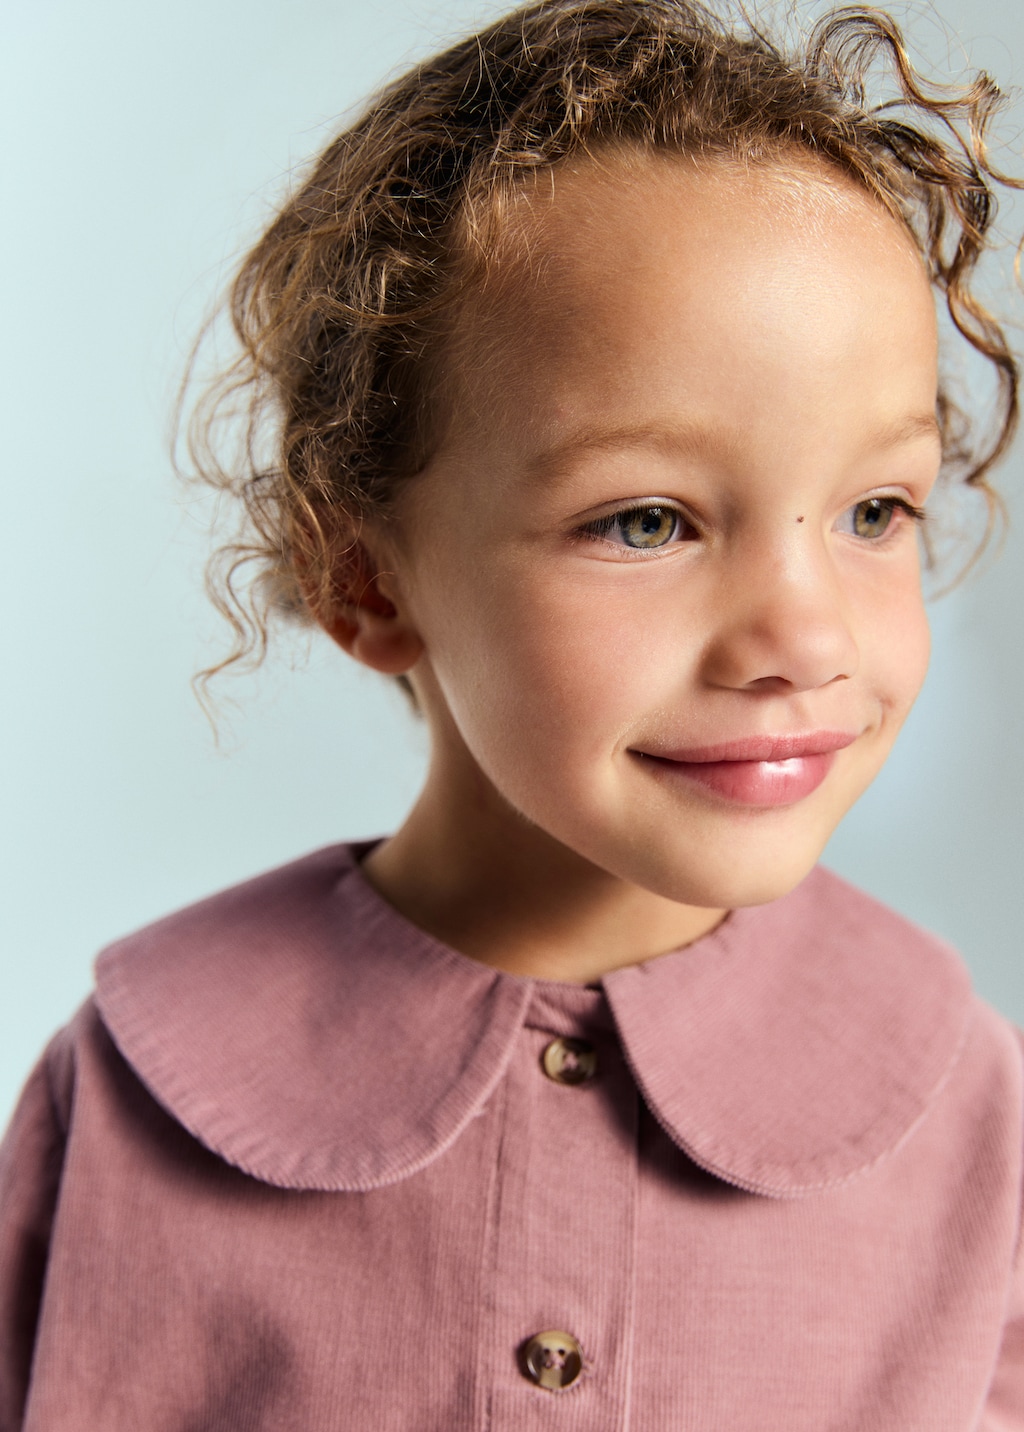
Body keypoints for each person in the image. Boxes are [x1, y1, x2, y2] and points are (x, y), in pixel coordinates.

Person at [2, 0, 1023, 1426]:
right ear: (365, 581)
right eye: (647, 520)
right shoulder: (128, 1094)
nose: (807, 639)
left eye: (874, 510)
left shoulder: (970, 1111)